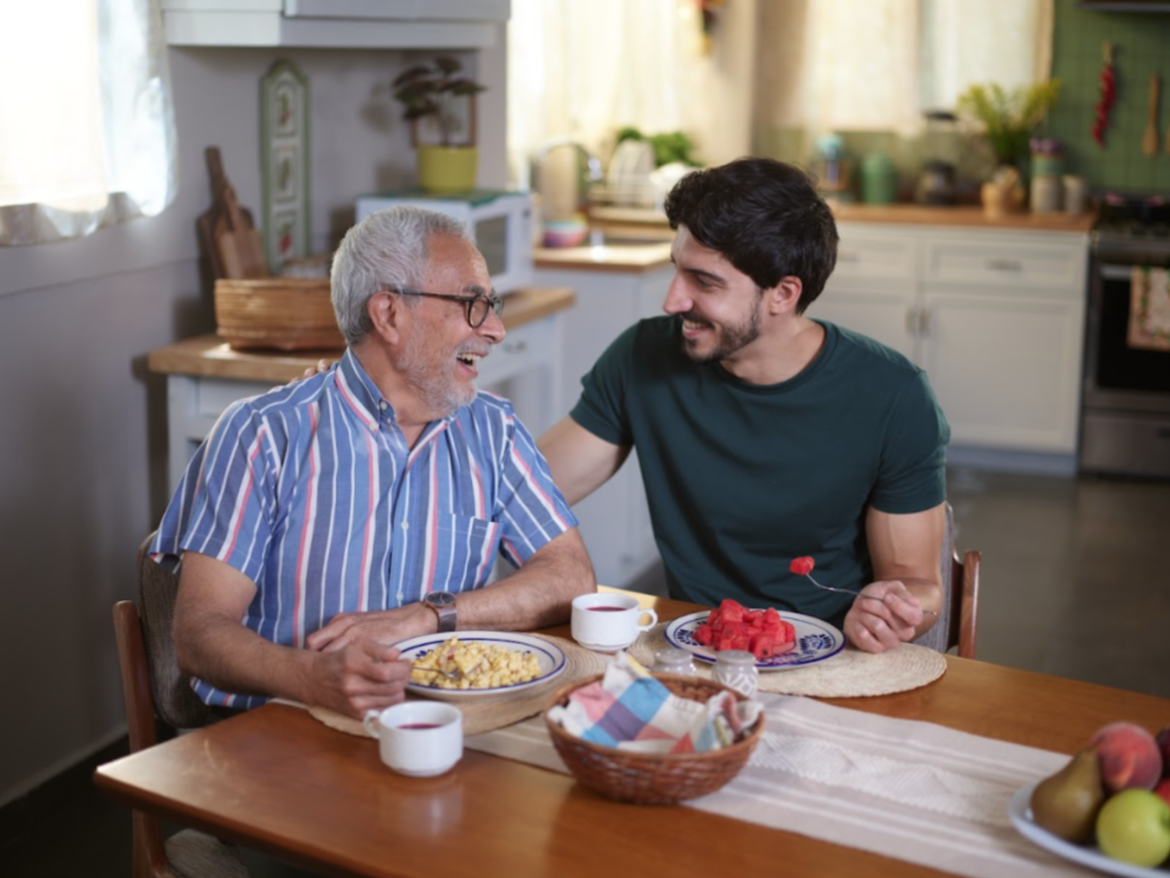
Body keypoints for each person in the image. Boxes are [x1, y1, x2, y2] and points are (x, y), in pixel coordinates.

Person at [152, 206, 595, 719]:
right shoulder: (263, 434)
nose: (495, 329)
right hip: (282, 731)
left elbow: (570, 577)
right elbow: (199, 634)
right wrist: (310, 678)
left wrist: (429, 617)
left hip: (442, 722)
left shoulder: (493, 431)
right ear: (388, 314)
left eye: (490, 305)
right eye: (472, 304)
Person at [538, 157, 950, 655]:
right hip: (693, 654)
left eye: (704, 282)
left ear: (783, 293)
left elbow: (919, 585)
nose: (672, 300)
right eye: (676, 270)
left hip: (835, 656)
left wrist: (889, 610)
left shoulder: (893, 395)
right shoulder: (641, 357)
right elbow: (528, 492)